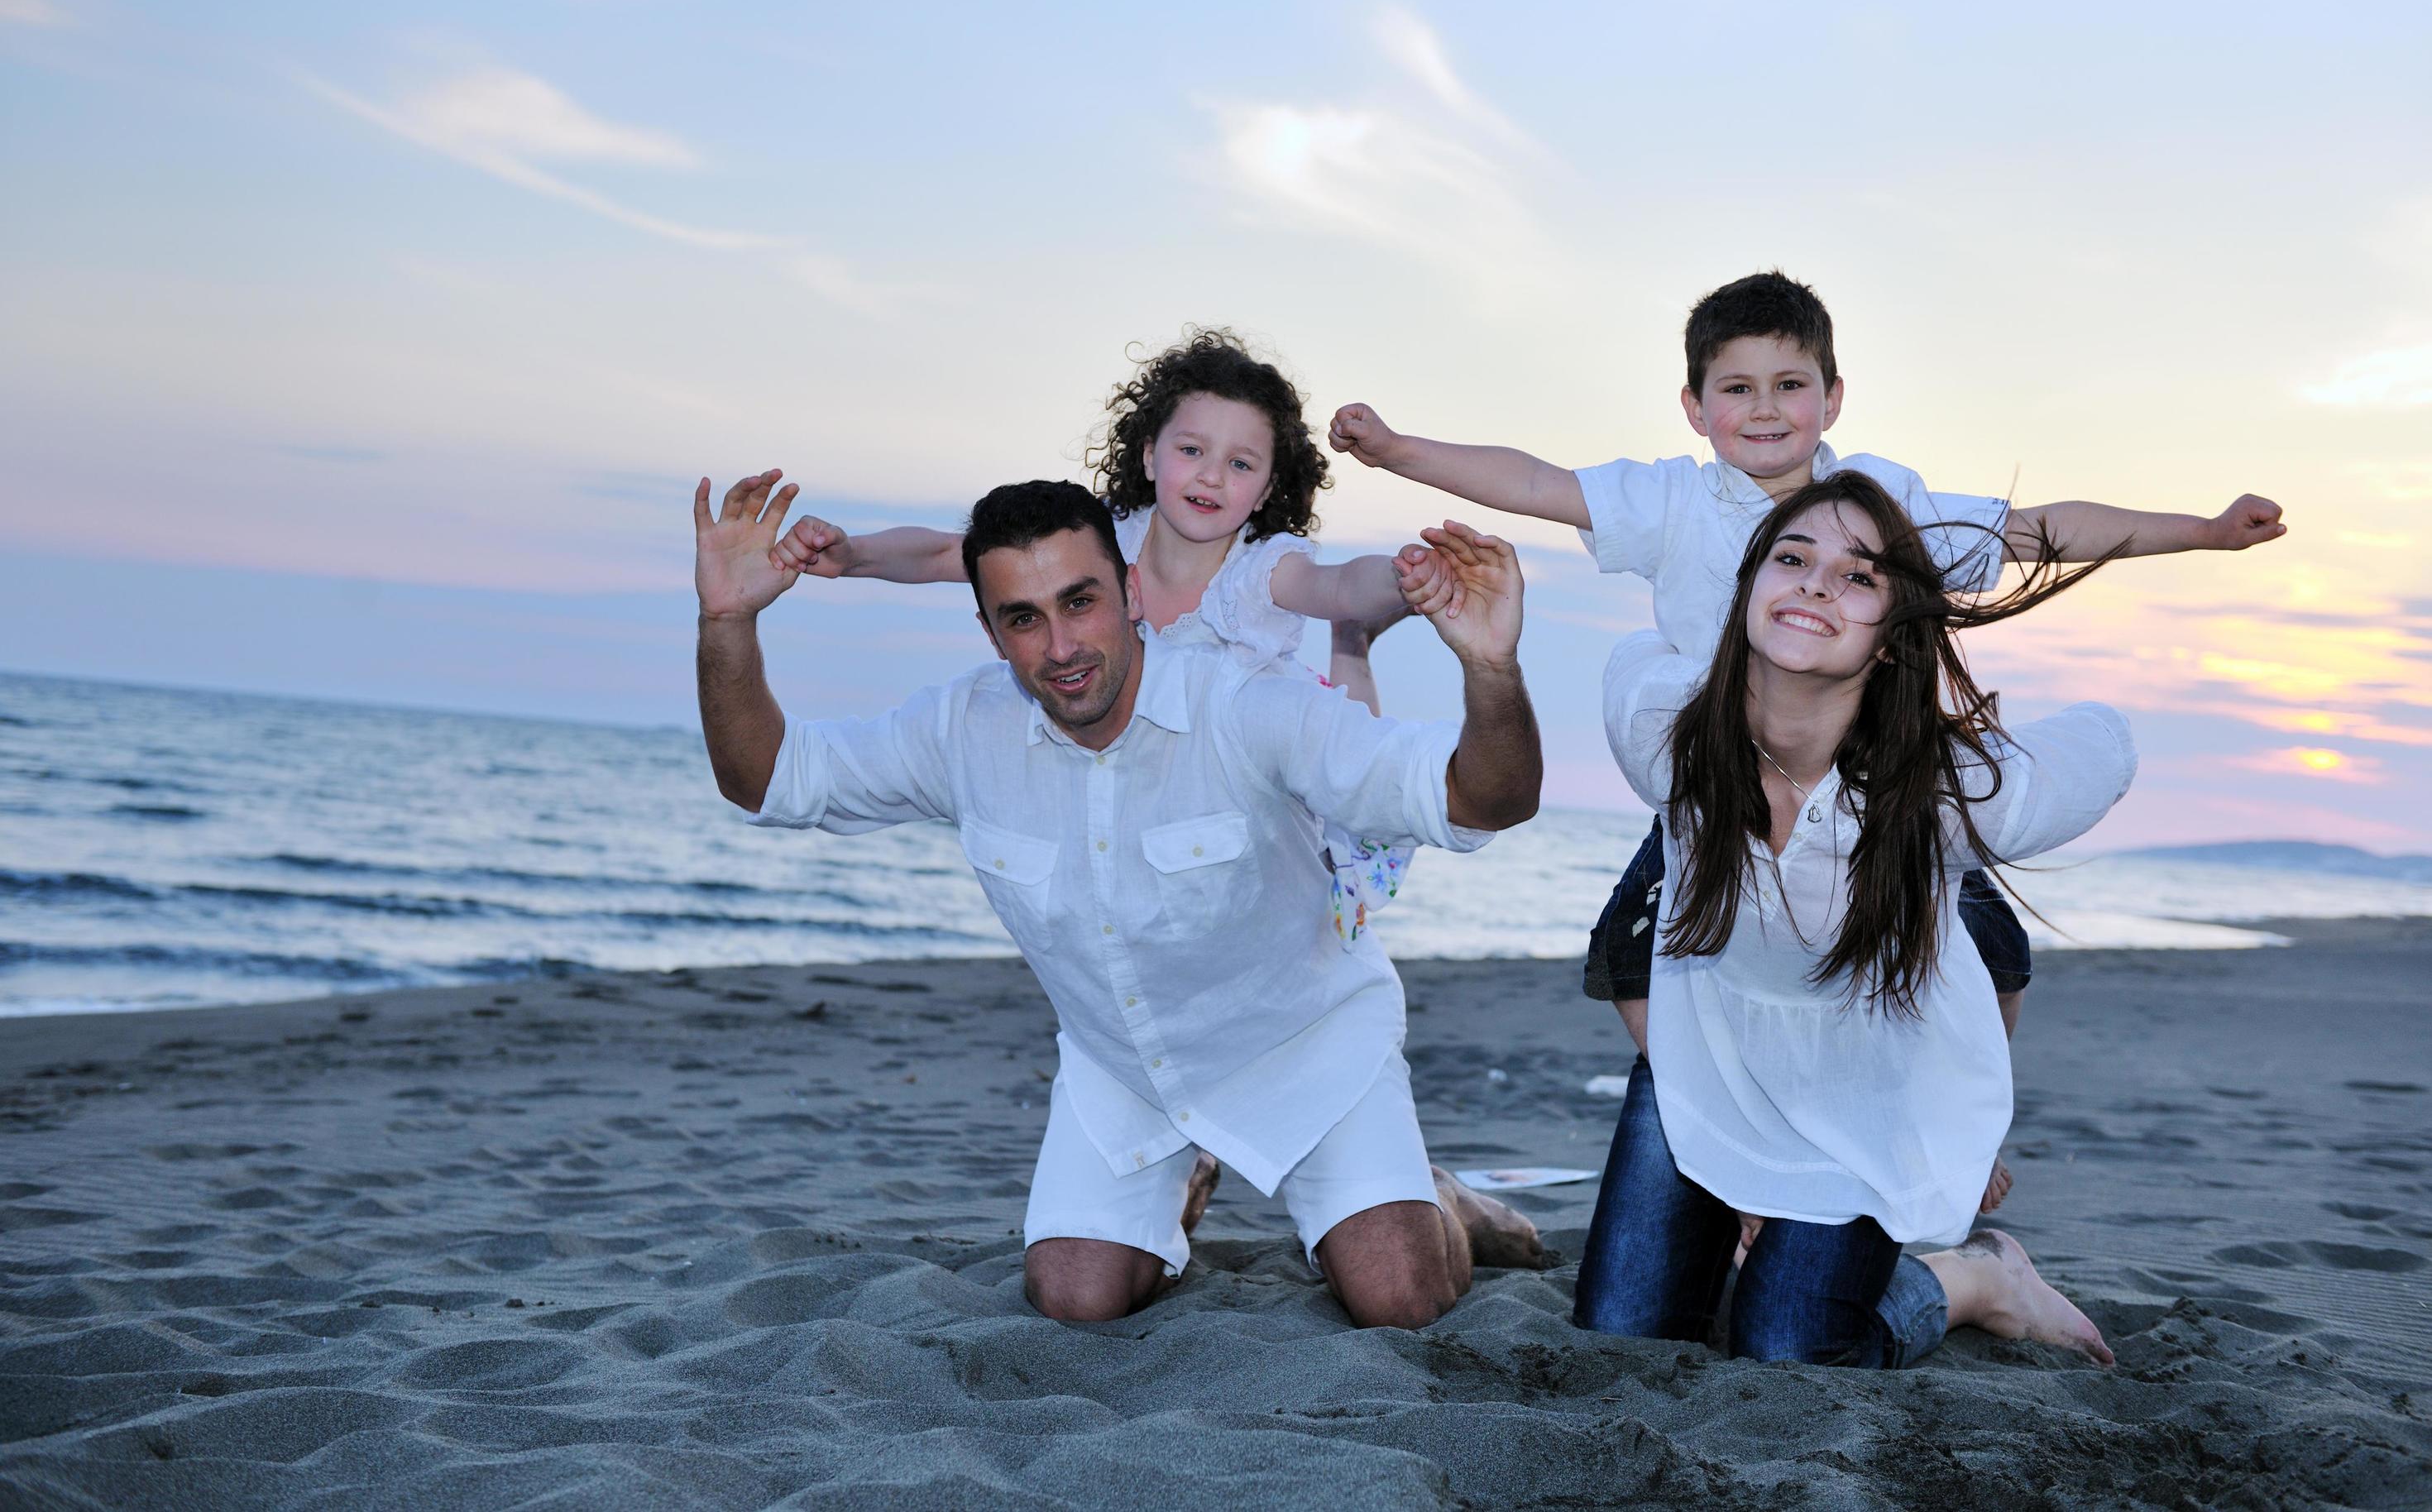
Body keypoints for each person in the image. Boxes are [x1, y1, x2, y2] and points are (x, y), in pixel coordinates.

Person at [1328, 269, 2286, 1212]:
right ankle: (1729, 1106)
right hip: (1720, 791)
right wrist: (1399, 450)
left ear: (1832, 396)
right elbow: (1537, 482)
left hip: (1871, 784)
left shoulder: (1882, 502)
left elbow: (2037, 530)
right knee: (1628, 944)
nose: (1765, 409)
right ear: (1695, 408)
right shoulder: (1675, 504)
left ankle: (1968, 1118)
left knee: (1986, 937)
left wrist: (2201, 531)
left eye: (1790, 385)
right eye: (1736, 388)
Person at [692, 471, 1544, 1328]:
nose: (1061, 645)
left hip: (1307, 1047)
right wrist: (728, 623)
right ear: (989, 631)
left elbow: (1484, 796)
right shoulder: (963, 728)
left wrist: (1492, 669)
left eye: (1080, 601)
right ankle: (1187, 1174)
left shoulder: (1245, 706)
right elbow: (765, 777)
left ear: (1132, 591)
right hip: (1128, 1067)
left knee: (1398, 1296)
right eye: (1023, 618)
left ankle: (1440, 1198)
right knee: (1073, 1297)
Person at [1575, 469, 2128, 1366]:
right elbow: (1632, 656)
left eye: (1860, 575)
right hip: (1705, 1068)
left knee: (1792, 1351)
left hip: (1865, 1099)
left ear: (1888, 641)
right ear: (1747, 591)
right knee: (1620, 1343)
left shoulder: (1951, 800)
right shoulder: (1665, 737)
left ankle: (1973, 1279)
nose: (1817, 582)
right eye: (1792, 557)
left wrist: (1981, 756)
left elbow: (2105, 742)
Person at [768, 329, 1432, 941]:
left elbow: (1343, 585)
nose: (1209, 475)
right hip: (1151, 755)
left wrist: (1408, 575)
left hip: (1242, 751)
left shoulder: (1265, 571)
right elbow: (951, 555)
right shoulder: (1108, 539)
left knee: (1345, 828)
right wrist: (853, 556)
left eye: (1240, 464)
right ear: (1149, 454)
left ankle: (1354, 644)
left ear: (1263, 490)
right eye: (1192, 450)